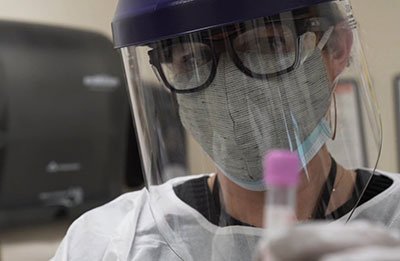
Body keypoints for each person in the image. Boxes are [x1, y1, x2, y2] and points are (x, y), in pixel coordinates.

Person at [52, 0, 400, 260]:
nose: (231, 92)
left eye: (267, 44)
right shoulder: (110, 243)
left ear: (336, 48)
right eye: (190, 58)